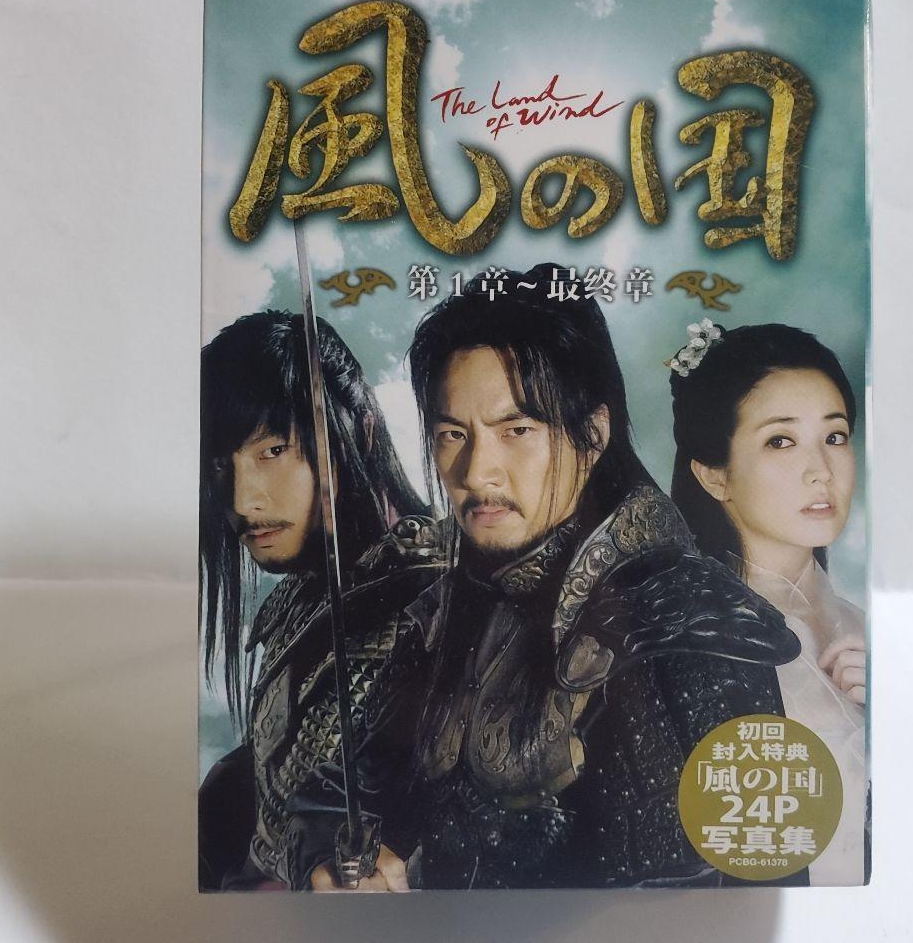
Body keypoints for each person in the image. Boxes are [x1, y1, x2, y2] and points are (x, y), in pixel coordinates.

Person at [298, 264, 801, 889]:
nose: (477, 472)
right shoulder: (446, 611)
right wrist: (346, 859)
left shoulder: (687, 618)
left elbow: (761, 876)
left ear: (592, 434)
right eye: (453, 434)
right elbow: (345, 789)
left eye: (517, 431)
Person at [197, 311, 439, 891]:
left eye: (274, 450)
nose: (245, 500)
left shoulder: (441, 602)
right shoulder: (296, 600)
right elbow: (275, 772)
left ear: (361, 432)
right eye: (222, 464)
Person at [669, 320, 868, 884]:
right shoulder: (683, 641)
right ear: (714, 475)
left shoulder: (868, 629)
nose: (821, 470)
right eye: (781, 441)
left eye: (835, 436)